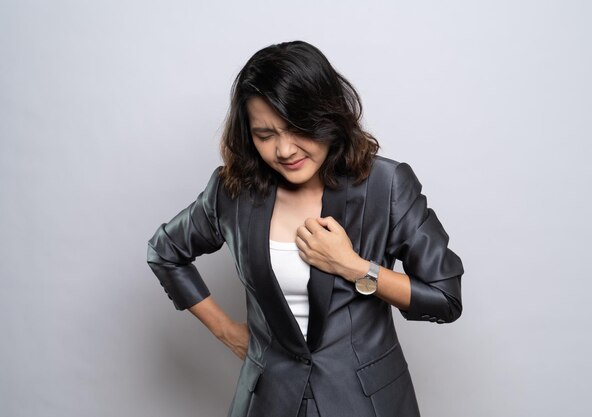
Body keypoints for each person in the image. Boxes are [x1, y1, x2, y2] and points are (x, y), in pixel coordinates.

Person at [147, 40, 464, 417]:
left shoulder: (386, 185)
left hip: (365, 403)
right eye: (266, 135)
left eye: (298, 128)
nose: (284, 150)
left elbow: (445, 298)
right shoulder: (233, 192)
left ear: (328, 116)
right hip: (268, 403)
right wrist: (226, 331)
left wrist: (355, 267)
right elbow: (165, 252)